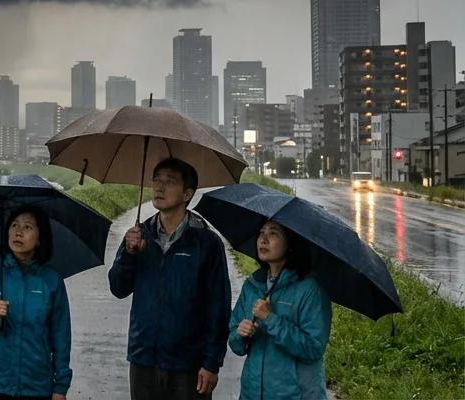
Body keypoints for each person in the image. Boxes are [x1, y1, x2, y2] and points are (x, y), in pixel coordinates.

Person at [108, 157, 232, 400]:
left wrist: (211, 362)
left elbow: (218, 307)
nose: (159, 188)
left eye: (169, 182)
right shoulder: (139, 234)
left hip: (189, 364)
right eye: (156, 181)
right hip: (144, 358)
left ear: (187, 194)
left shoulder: (206, 242)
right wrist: (130, 255)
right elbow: (118, 288)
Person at [0, 204, 72, 400]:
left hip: (36, 385)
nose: (18, 232)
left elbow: (61, 336)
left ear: (40, 238)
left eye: (27, 227)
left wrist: (60, 387)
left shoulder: (51, 280)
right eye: (14, 225)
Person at [228, 220, 332, 400]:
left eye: (273, 233)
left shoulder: (310, 290)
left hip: (295, 395)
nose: (264, 239)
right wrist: (240, 334)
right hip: (252, 393)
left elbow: (313, 348)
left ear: (291, 244)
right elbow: (235, 341)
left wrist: (270, 319)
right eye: (261, 233)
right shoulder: (253, 285)